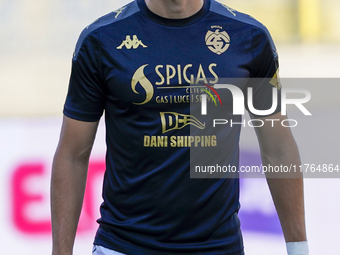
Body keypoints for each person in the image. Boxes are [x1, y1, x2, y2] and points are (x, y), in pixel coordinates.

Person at [51, 0, 308, 254]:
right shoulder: (101, 39)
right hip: (124, 246)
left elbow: (279, 148)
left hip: (219, 248)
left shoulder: (249, 36)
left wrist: (299, 249)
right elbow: (72, 155)